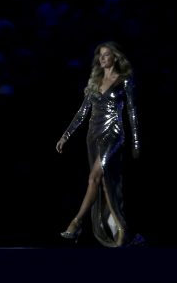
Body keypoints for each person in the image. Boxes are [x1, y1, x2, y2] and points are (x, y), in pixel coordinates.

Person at [55, 42, 141, 246]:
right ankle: (121, 229)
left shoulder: (124, 80)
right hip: (93, 136)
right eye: (100, 55)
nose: (102, 58)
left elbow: (132, 111)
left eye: (107, 55)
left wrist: (136, 141)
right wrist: (65, 135)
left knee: (94, 177)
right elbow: (82, 112)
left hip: (113, 135)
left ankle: (76, 223)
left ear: (115, 57)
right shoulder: (94, 81)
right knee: (104, 182)